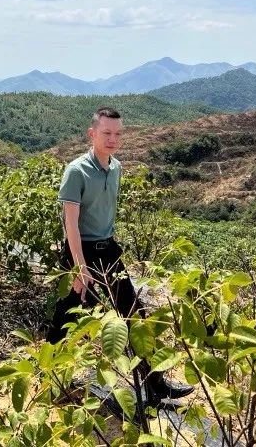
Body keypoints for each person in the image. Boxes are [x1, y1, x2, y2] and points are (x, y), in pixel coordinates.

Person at [47, 106, 193, 403]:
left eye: (117, 134)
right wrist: (79, 268)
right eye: (106, 133)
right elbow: (70, 223)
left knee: (134, 314)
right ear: (92, 133)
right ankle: (50, 378)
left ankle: (155, 384)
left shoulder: (116, 167)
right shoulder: (76, 170)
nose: (113, 139)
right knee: (67, 317)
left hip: (108, 249)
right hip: (80, 252)